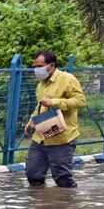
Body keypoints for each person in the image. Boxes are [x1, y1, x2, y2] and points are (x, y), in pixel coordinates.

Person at [24, 50, 86, 188]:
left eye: (39, 66)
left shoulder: (67, 79)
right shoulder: (41, 84)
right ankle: (41, 201)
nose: (36, 70)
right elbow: (40, 106)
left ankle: (67, 200)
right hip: (41, 135)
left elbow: (80, 101)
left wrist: (54, 102)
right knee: (33, 175)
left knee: (62, 179)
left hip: (61, 137)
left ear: (51, 65)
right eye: (35, 66)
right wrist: (31, 121)